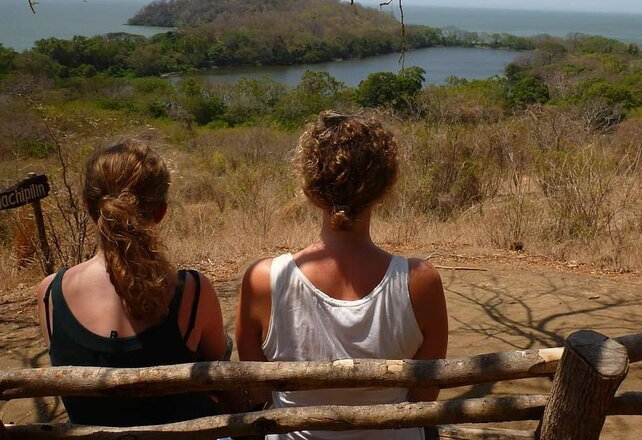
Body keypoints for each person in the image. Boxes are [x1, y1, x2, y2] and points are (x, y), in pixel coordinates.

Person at [235, 111, 449, 440]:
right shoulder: (420, 281)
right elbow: (422, 396)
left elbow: (259, 390)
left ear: (310, 189)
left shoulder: (264, 280)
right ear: (384, 190)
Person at [36, 139, 230, 427]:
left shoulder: (50, 293)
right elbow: (222, 382)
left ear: (88, 207)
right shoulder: (192, 291)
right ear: (161, 212)